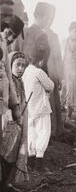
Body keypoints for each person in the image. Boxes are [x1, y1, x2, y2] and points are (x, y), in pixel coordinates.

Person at [0, 16, 24, 192]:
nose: (10, 38)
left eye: (13, 37)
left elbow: (7, 76)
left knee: (5, 147)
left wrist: (15, 106)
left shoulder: (6, 49)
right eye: (9, 33)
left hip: (3, 105)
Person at [23, 44, 54, 172]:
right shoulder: (39, 72)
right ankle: (39, 162)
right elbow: (50, 86)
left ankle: (30, 160)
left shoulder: (26, 72)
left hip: (29, 108)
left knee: (32, 133)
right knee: (44, 132)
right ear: (41, 60)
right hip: (41, 108)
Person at [0, 52, 29, 190]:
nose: (21, 69)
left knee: (14, 153)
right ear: (10, 64)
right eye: (18, 65)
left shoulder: (20, 82)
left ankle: (7, 183)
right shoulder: (7, 82)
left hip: (18, 125)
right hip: (8, 124)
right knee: (5, 153)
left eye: (23, 66)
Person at [43, 4, 64, 137]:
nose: (50, 20)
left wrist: (60, 76)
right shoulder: (36, 33)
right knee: (46, 103)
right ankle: (48, 131)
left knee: (56, 101)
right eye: (49, 17)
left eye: (52, 18)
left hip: (54, 72)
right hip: (43, 71)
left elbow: (58, 57)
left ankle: (57, 130)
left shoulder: (54, 35)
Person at [61, 22, 76, 120]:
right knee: (67, 89)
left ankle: (74, 113)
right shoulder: (64, 42)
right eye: (74, 31)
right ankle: (66, 113)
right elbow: (62, 57)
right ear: (70, 31)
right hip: (67, 68)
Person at [23, 2, 50, 66]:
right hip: (35, 72)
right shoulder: (42, 36)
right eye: (48, 18)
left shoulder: (24, 32)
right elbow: (42, 63)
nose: (48, 21)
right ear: (44, 17)